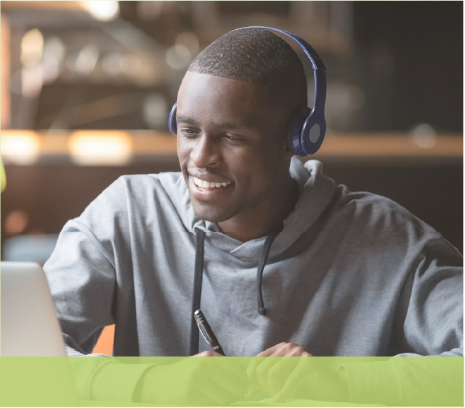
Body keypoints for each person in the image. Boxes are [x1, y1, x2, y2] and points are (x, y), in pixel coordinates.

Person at [43, 28, 463, 405]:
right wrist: (147, 385)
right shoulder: (127, 215)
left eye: (232, 137)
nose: (201, 158)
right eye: (188, 131)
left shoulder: (389, 239)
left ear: (295, 139)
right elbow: (14, 354)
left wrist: (340, 381)